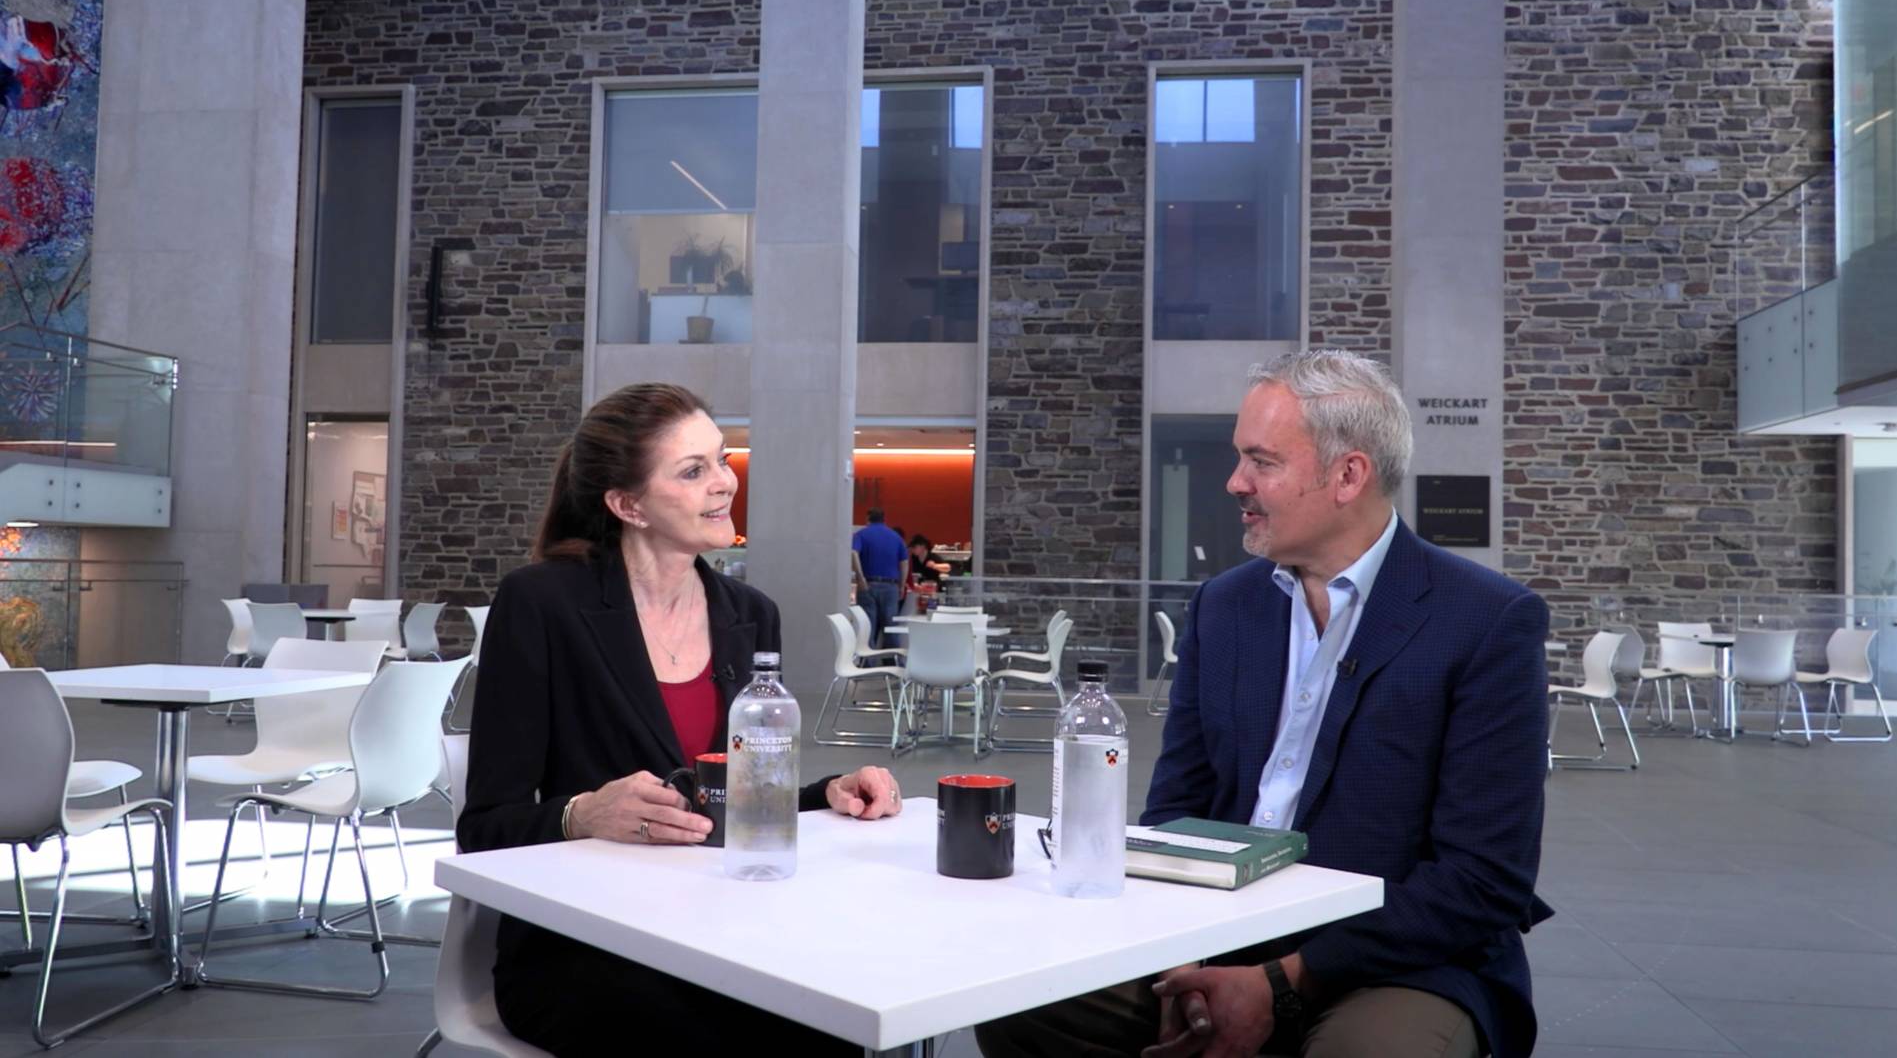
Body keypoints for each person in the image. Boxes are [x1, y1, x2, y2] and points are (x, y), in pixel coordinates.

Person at [976, 351, 1550, 1058]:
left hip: (1402, 958)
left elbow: (1482, 881)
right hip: (1221, 930)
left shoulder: (1486, 620)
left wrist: (1282, 982)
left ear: (1348, 475)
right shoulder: (1225, 606)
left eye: (1261, 460)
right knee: (1017, 997)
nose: (1235, 482)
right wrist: (1186, 958)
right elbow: (1174, 815)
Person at [460, 383, 906, 1056]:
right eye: (693, 470)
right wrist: (580, 812)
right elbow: (483, 827)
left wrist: (829, 792)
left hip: (722, 929)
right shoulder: (541, 603)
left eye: (722, 460)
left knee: (840, 1016)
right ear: (626, 503)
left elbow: (734, 798)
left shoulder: (751, 613)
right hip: (583, 945)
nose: (724, 483)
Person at [852, 507, 909, 646]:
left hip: (868, 585)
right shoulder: (896, 537)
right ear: (884, 519)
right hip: (891, 587)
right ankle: (893, 661)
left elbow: (853, 553)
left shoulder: (861, 535)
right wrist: (902, 585)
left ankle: (867, 662)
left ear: (868, 519)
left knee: (868, 627)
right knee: (890, 627)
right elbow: (904, 562)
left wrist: (860, 578)